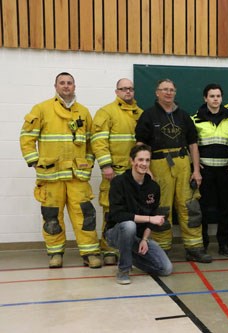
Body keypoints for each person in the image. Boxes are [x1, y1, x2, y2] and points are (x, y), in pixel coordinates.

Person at [20, 72, 101, 268]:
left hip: (77, 176)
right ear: (55, 86)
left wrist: (88, 163)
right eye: (62, 83)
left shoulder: (84, 112)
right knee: (52, 216)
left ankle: (90, 253)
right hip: (51, 176)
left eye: (69, 83)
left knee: (85, 215)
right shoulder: (41, 109)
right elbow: (26, 137)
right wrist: (34, 161)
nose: (66, 86)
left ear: (75, 86)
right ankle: (55, 254)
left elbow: (91, 142)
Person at [135, 79, 211, 263]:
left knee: (190, 207)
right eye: (164, 90)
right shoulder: (148, 115)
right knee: (162, 208)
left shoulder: (184, 116)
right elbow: (140, 145)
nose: (168, 93)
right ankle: (162, 249)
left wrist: (196, 170)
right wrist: (146, 169)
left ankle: (194, 247)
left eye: (171, 90)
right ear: (157, 93)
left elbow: (193, 144)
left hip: (183, 164)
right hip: (159, 165)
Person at [91, 78, 143, 265]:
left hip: (136, 174)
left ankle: (131, 249)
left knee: (135, 212)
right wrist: (106, 165)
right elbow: (98, 141)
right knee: (111, 212)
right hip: (115, 173)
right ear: (116, 91)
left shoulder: (140, 114)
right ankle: (109, 249)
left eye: (130, 88)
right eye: (123, 89)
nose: (128, 92)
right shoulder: (106, 112)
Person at [105, 144, 173, 284]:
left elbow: (152, 215)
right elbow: (118, 215)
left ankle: (129, 255)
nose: (144, 164)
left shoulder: (153, 187)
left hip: (139, 237)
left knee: (166, 269)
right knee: (129, 225)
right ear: (132, 161)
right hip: (116, 233)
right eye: (140, 160)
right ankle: (123, 270)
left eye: (147, 160)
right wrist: (150, 218)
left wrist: (145, 239)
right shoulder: (119, 182)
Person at [192, 84, 228, 257]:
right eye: (212, 96)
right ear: (205, 98)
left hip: (226, 171)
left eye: (218, 96)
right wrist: (194, 164)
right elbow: (189, 144)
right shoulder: (195, 119)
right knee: (202, 209)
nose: (215, 99)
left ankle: (224, 245)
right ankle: (201, 244)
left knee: (225, 209)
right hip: (205, 172)